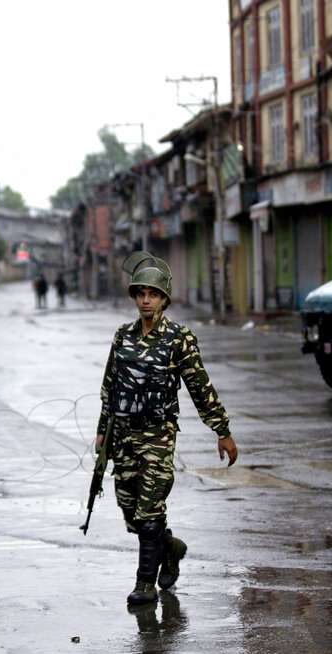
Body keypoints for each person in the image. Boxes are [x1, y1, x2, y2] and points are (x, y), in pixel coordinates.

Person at [95, 251, 238, 606]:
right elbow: (110, 386)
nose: (146, 300)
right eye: (141, 293)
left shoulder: (178, 338)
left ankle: (145, 584)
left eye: (153, 294)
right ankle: (170, 547)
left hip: (158, 435)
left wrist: (221, 430)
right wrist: (103, 432)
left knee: (149, 508)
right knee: (130, 510)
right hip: (123, 435)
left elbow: (199, 386)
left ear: (163, 299)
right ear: (134, 297)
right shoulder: (123, 336)